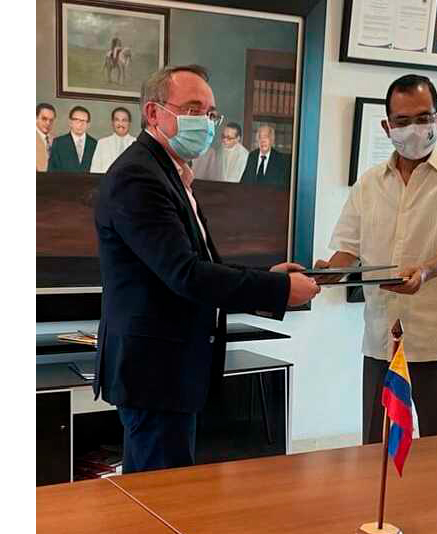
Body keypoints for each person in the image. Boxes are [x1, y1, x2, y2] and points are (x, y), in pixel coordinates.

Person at [93, 64, 320, 473]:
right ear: (153, 113)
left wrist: (270, 275)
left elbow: (198, 264)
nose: (207, 123)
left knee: (168, 493)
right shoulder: (138, 177)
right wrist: (278, 290)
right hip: (155, 373)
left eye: (211, 113)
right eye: (194, 109)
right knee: (160, 501)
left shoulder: (171, 172)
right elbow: (186, 275)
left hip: (170, 369)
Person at [315, 74, 437, 443]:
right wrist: (327, 273)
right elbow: (347, 248)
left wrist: (426, 271)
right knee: (376, 450)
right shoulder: (369, 183)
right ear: (387, 126)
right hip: (382, 339)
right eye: (403, 120)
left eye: (424, 117)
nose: (415, 128)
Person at [48, 106, 97, 172]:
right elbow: (52, 171)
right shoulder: (59, 143)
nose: (80, 124)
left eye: (83, 121)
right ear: (70, 122)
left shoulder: (95, 144)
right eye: (76, 120)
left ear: (88, 124)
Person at [90, 107, 137, 173]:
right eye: (117, 120)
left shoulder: (137, 144)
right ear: (112, 123)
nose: (120, 124)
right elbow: (94, 170)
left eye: (124, 120)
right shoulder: (102, 143)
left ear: (129, 123)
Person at [36, 103, 55, 171]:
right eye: (44, 119)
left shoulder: (55, 139)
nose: (48, 123)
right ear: (36, 118)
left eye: (51, 120)